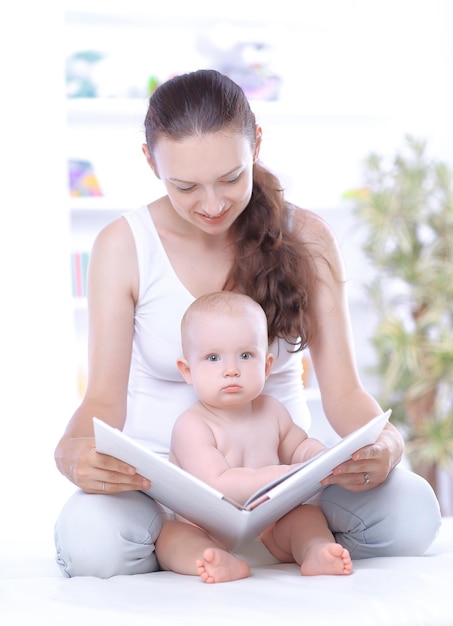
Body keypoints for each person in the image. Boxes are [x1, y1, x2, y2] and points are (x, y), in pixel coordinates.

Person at [54, 69, 441, 578]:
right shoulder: (124, 245)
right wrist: (72, 454)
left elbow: (344, 392)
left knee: (412, 508)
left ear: (256, 144)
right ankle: (186, 544)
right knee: (90, 543)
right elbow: (103, 402)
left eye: (231, 178)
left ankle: (289, 538)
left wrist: (386, 443)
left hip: (285, 487)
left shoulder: (307, 236)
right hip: (162, 492)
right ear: (150, 162)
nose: (212, 205)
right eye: (186, 186)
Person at [155, 291, 352, 583]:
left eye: (246, 355)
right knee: (170, 537)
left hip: (271, 527)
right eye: (213, 358)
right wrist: (288, 474)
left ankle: (314, 549)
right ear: (188, 371)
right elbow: (217, 483)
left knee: (306, 517)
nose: (231, 370)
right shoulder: (191, 426)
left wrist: (319, 457)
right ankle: (212, 559)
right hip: (208, 529)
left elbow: (298, 446)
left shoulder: (272, 411)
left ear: (267, 366)